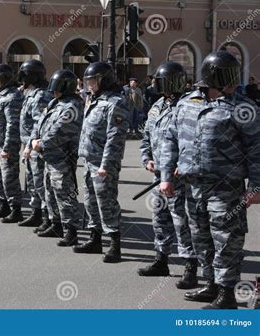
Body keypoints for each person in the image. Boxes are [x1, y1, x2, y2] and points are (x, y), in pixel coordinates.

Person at [160, 51, 260, 309]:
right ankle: (211, 285)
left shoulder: (243, 108)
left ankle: (227, 294)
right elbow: (170, 140)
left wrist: (256, 187)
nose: (233, 82)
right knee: (200, 237)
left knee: (226, 239)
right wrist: (165, 176)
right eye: (228, 76)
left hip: (225, 188)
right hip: (193, 186)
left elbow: (256, 150)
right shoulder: (186, 103)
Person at [138, 61, 198, 288]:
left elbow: (193, 141)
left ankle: (190, 265)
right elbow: (146, 136)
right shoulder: (157, 106)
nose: (161, 87)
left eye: (164, 83)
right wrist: (147, 159)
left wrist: (180, 165)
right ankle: (161, 258)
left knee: (182, 220)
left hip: (179, 176)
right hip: (159, 175)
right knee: (159, 217)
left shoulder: (189, 105)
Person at [73, 62, 129, 263]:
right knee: (90, 201)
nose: (89, 85)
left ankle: (115, 245)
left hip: (104, 164)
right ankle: (95, 238)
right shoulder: (93, 100)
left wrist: (106, 164)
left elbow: (115, 137)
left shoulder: (115, 103)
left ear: (104, 80)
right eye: (88, 81)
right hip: (90, 161)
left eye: (93, 81)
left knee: (107, 203)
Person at [31, 69, 83, 244]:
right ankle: (56, 224)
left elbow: (59, 131)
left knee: (64, 194)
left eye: (57, 87)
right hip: (49, 156)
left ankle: (71, 230)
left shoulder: (72, 106)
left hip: (62, 157)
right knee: (50, 191)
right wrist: (34, 140)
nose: (54, 91)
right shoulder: (55, 102)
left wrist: (41, 144)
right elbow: (40, 122)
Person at [0, 64, 24, 223]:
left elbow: (12, 124)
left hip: (6, 145)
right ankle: (4, 205)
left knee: (9, 178)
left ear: (6, 80)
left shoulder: (12, 97)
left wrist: (7, 147)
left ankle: (16, 209)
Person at [18, 59, 52, 230]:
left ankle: (48, 217)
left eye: (25, 75)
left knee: (41, 183)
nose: (22, 79)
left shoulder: (41, 95)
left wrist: (30, 146)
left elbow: (39, 124)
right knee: (32, 181)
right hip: (29, 145)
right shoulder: (31, 93)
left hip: (37, 147)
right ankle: (36, 213)